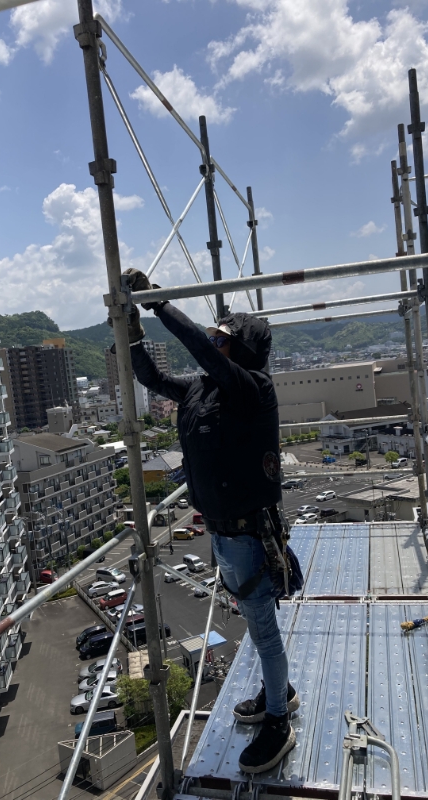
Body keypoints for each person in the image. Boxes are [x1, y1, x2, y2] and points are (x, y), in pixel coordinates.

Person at [112, 268, 299, 775]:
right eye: (215, 338)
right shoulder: (203, 390)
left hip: (248, 534)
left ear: (241, 350)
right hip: (223, 533)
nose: (214, 344)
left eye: (222, 339)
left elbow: (202, 353)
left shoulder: (252, 389)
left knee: (263, 632)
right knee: (258, 625)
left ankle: (278, 720)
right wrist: (133, 337)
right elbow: (154, 379)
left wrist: (159, 303)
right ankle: (278, 692)